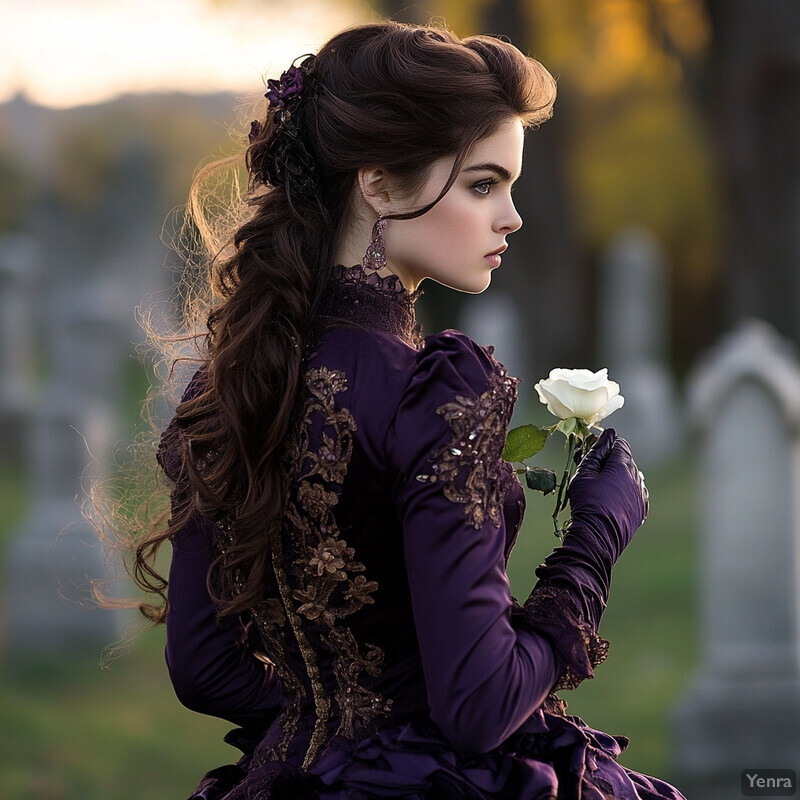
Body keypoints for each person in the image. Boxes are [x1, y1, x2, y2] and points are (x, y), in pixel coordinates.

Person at [148, 20, 686, 800]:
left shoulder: (230, 385)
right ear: (380, 185)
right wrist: (597, 533)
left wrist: (337, 721)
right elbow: (480, 706)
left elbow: (205, 670)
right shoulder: (438, 388)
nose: (512, 216)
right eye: (483, 184)